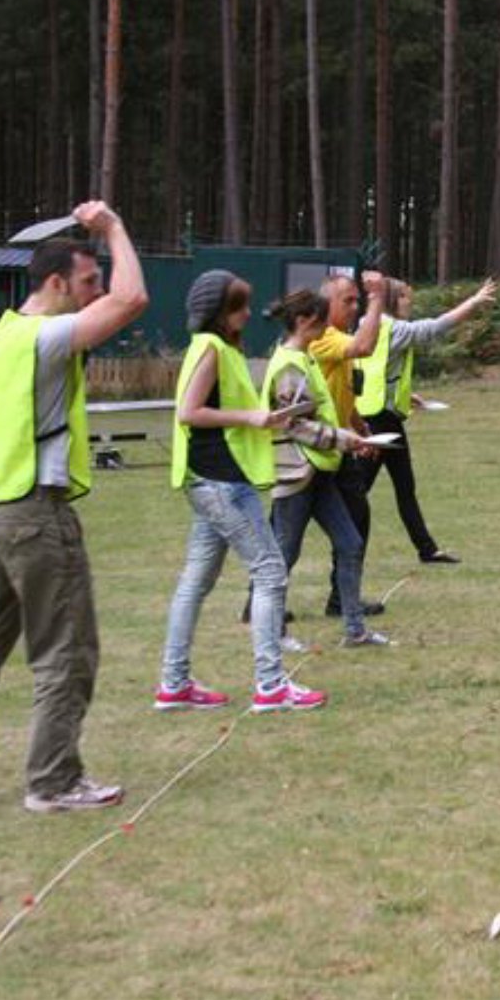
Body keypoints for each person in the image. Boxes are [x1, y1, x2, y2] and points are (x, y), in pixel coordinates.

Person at [0, 202, 145, 813]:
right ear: (56, 283)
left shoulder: (1, 336)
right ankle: (53, 782)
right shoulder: (44, 336)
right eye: (88, 281)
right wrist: (113, 226)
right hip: (34, 514)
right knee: (66, 649)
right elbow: (133, 300)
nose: (99, 291)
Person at [157, 271, 328, 715]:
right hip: (221, 483)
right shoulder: (211, 349)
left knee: (196, 581)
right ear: (218, 312)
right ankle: (270, 687)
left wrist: (262, 416)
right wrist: (251, 418)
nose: (248, 314)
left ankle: (173, 684)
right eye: (239, 307)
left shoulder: (218, 349)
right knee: (271, 573)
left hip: (212, 481)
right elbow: (189, 412)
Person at [259, 289, 390, 648]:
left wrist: (347, 434)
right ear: (304, 322)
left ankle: (355, 630)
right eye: (321, 323)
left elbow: (316, 415)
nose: (325, 331)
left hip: (320, 472)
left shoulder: (305, 357)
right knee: (284, 555)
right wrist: (343, 439)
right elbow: (294, 425)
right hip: (297, 475)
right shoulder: (289, 363)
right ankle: (273, 633)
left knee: (349, 544)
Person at [356, 277, 497, 565]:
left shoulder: (367, 324)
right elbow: (436, 327)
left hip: (381, 415)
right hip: (379, 421)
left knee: (403, 486)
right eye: (407, 297)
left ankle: (427, 549)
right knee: (356, 491)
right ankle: (348, 545)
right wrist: (474, 301)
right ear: (394, 299)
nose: (411, 302)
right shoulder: (394, 329)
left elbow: (375, 371)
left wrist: (405, 395)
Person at [308, 271, 388, 618]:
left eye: (358, 300)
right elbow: (365, 346)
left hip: (341, 448)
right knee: (287, 533)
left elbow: (344, 394)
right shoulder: (323, 338)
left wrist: (362, 430)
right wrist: (377, 299)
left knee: (357, 520)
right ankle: (259, 603)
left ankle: (341, 600)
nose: (355, 307)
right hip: (313, 450)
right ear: (327, 304)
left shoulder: (339, 337)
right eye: (348, 301)